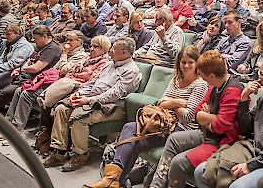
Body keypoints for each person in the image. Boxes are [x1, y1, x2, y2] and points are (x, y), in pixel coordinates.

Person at [85, 46, 208, 188]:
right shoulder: (176, 79)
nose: (186, 66)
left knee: (134, 143)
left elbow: (187, 116)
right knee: (129, 127)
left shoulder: (200, 85)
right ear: (179, 63)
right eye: (183, 62)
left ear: (197, 63)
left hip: (182, 129)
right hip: (162, 121)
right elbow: (161, 102)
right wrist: (176, 102)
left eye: (190, 62)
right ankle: (115, 179)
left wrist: (170, 103)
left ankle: (115, 180)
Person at [194, 55, 263, 188]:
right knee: (200, 171)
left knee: (238, 187)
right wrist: (244, 99)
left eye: (261, 74)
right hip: (252, 149)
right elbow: (245, 129)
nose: (259, 79)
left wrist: (250, 166)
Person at [44, 37, 142, 171]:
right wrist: (79, 94)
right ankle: (59, 151)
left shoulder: (131, 71)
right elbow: (92, 82)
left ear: (124, 52)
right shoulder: (109, 64)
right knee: (61, 108)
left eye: (114, 49)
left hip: (112, 107)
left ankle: (81, 154)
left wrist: (89, 100)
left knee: (79, 118)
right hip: (91, 98)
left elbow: (114, 95)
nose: (111, 51)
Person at [148, 50, 243, 188]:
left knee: (177, 163)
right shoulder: (213, 86)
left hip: (222, 142)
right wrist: (210, 118)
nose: (202, 79)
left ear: (211, 76)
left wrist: (207, 121)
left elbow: (221, 126)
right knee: (174, 139)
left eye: (203, 77)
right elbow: (197, 114)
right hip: (207, 134)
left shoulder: (232, 89)